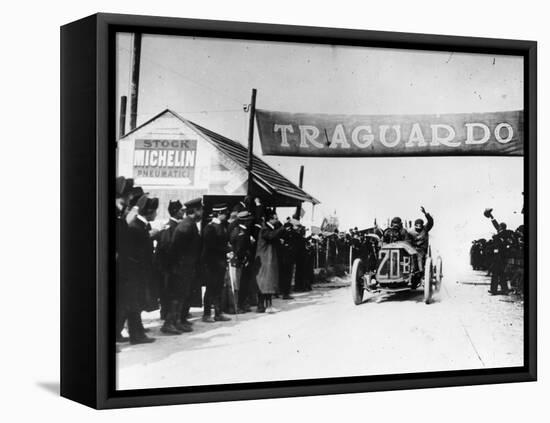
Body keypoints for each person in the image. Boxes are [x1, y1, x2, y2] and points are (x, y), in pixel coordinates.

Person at [122, 195, 159, 344]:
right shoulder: (136, 227)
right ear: (149, 211)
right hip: (135, 273)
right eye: (155, 211)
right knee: (134, 305)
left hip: (139, 272)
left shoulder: (140, 225)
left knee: (135, 305)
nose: (156, 214)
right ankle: (136, 336)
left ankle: (137, 333)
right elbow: (136, 252)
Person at [170, 197, 203, 330]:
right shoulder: (186, 226)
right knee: (179, 296)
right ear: (195, 210)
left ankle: (179, 320)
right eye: (201, 210)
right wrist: (179, 267)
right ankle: (172, 323)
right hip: (181, 268)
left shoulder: (190, 224)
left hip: (187, 267)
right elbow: (176, 249)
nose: (202, 213)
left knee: (184, 295)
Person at [157, 200, 187, 335]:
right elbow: (166, 247)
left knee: (178, 295)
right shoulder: (169, 227)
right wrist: (173, 266)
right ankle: (168, 324)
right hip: (171, 269)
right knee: (173, 296)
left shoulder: (176, 225)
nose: (183, 212)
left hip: (176, 268)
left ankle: (175, 321)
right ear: (176, 211)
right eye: (182, 210)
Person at [202, 203, 232, 322]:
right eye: (225, 213)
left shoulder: (221, 226)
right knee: (210, 288)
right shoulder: (210, 227)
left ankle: (218, 313)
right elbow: (211, 247)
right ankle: (206, 314)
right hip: (211, 263)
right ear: (219, 213)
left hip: (220, 262)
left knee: (218, 288)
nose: (226, 215)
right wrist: (227, 250)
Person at [255, 209, 285, 313]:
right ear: (270, 219)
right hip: (265, 259)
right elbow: (271, 236)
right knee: (265, 282)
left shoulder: (269, 228)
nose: (277, 220)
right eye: (276, 219)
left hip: (269, 258)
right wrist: (282, 228)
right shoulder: (265, 229)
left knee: (268, 282)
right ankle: (264, 305)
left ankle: (265, 305)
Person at [228, 210, 255, 313]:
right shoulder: (240, 233)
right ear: (245, 221)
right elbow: (239, 249)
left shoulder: (241, 231)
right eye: (248, 220)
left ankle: (240, 305)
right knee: (237, 285)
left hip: (240, 261)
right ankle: (237, 306)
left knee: (241, 284)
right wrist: (244, 258)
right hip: (239, 261)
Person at [484, 208, 514, 295]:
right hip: (501, 257)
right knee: (501, 274)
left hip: (499, 257)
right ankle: (504, 289)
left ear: (502, 227)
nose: (498, 228)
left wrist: (495, 237)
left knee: (495, 273)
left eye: (499, 227)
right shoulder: (503, 232)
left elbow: (502, 242)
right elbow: (496, 225)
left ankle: (494, 290)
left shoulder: (503, 234)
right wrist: (492, 217)